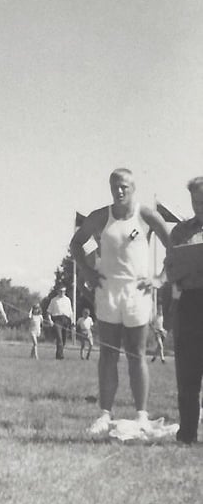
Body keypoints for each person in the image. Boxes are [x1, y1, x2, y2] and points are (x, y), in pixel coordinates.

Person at [70, 168, 170, 435]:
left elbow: (173, 247)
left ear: (133, 188)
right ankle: (104, 414)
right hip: (108, 293)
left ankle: (141, 415)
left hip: (137, 293)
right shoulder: (101, 216)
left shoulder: (146, 215)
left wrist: (160, 278)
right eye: (115, 186)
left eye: (124, 186)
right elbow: (76, 244)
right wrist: (88, 272)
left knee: (136, 354)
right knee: (108, 355)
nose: (119, 190)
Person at [165, 176, 203, 445]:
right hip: (189, 302)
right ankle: (187, 433)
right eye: (195, 200)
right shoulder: (180, 231)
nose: (198, 204)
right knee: (188, 372)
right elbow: (170, 269)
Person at [47, 286, 74, 360]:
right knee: (59, 339)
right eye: (61, 291)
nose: (62, 293)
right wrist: (50, 320)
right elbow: (48, 312)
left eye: (64, 291)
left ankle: (58, 354)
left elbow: (70, 312)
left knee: (64, 339)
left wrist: (72, 321)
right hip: (57, 320)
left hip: (66, 320)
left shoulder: (67, 300)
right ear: (58, 291)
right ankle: (60, 357)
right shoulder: (54, 300)